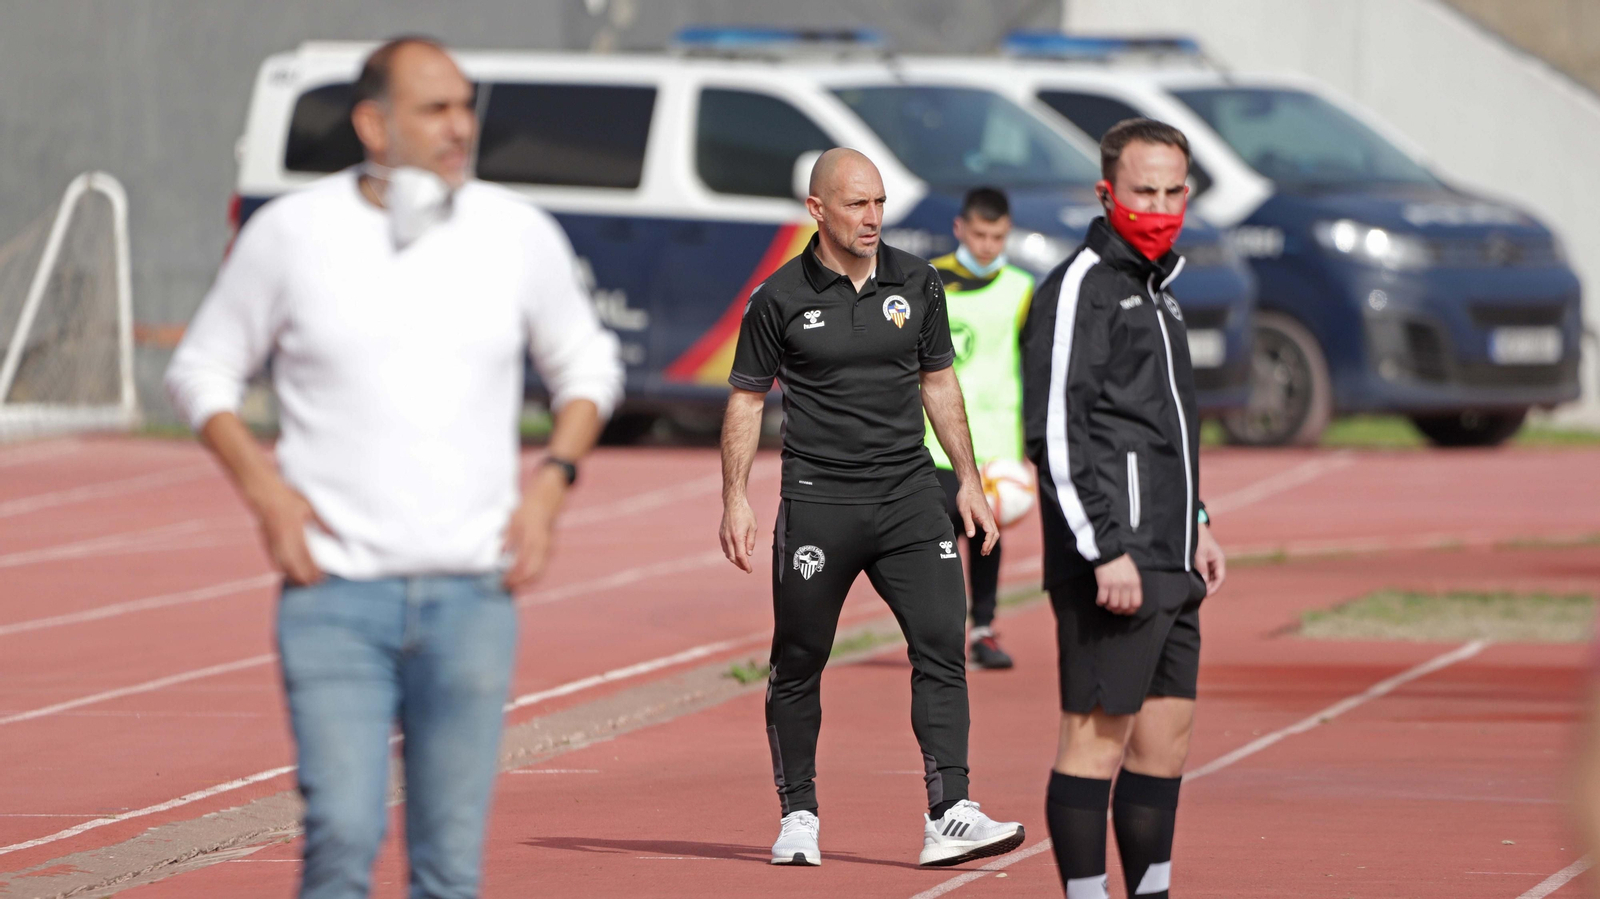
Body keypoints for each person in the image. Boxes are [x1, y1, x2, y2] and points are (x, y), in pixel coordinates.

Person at [164, 37, 622, 899]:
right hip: (336, 596)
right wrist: (265, 493)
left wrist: (551, 487)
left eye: (464, 106)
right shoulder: (291, 233)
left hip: (471, 599)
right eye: (435, 109)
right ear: (374, 123)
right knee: (342, 833)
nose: (461, 127)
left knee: (448, 865)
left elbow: (587, 366)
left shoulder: (514, 232)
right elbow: (201, 370)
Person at [719, 148, 1025, 869]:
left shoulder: (917, 282)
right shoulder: (778, 296)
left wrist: (970, 481)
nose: (873, 217)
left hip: (910, 496)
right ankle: (798, 814)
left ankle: (949, 809)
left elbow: (940, 384)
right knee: (799, 659)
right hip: (819, 503)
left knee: (942, 641)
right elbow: (746, 399)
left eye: (880, 202)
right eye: (857, 204)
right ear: (818, 210)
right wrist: (735, 497)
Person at [1018, 118, 1227, 899]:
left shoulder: (1159, 291)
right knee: (1095, 742)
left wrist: (1198, 522)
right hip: (1112, 562)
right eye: (1146, 189)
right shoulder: (1081, 288)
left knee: (1164, 745)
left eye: (1175, 190)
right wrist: (1106, 548)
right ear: (1108, 191)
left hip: (1172, 559)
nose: (1162, 204)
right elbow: (1054, 434)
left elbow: (1163, 429)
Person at [924, 187, 1035, 670]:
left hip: (996, 444)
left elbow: (1031, 363)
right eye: (980, 234)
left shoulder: (1021, 288)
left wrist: (1030, 440)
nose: (989, 245)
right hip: (936, 442)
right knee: (939, 542)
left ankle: (984, 631)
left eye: (999, 236)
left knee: (988, 540)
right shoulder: (928, 279)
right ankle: (940, 634)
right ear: (960, 229)